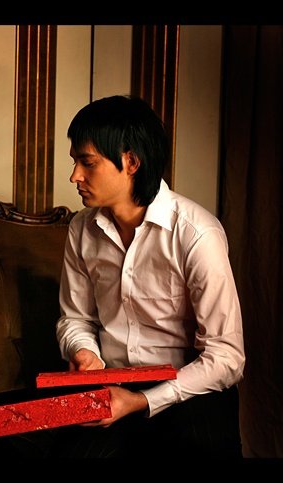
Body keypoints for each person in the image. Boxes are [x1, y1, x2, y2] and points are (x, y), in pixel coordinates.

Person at [53, 95, 245, 457]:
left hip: (189, 388)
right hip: (111, 386)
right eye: (74, 161)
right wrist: (84, 351)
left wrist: (142, 401)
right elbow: (75, 318)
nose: (74, 176)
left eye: (87, 162)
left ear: (131, 162)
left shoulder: (196, 233)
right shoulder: (81, 229)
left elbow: (226, 357)